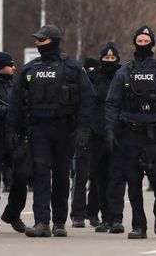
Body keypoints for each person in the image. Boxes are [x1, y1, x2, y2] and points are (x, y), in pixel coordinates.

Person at [6, 25, 95, 238]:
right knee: (41, 174)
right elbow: (16, 101)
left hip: (65, 129)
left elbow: (88, 99)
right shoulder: (30, 69)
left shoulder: (72, 67)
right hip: (39, 129)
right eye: (37, 40)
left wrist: (83, 128)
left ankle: (59, 222)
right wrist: (12, 129)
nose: (37, 43)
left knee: (63, 176)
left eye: (42, 40)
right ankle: (42, 222)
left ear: (53, 41)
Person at [104, 25, 156, 239]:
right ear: (135, 43)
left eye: (146, 41)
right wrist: (110, 129)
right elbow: (112, 103)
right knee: (133, 180)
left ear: (152, 44)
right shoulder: (124, 71)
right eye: (139, 41)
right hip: (131, 132)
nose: (142, 44)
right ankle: (138, 225)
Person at [71, 43, 121, 230]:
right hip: (90, 131)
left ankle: (101, 214)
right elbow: (84, 101)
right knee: (82, 174)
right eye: (106, 58)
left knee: (106, 176)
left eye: (112, 58)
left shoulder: (121, 75)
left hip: (113, 132)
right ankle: (78, 214)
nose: (109, 61)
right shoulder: (91, 77)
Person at [0, 52, 27, 234]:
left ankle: (13, 213)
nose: (14, 67)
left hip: (15, 136)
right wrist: (9, 111)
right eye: (10, 64)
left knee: (22, 175)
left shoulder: (16, 85)